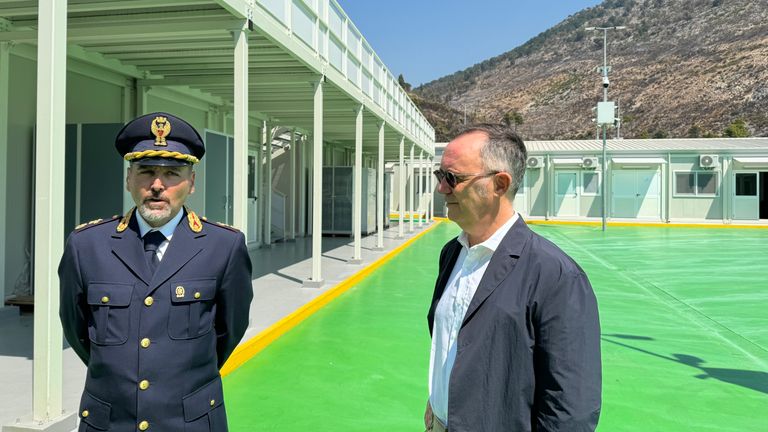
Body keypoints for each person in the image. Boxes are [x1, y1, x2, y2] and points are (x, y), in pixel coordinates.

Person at [59, 112, 253, 432]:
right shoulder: (86, 246)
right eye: (146, 171)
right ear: (128, 179)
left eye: (172, 173)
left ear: (191, 183)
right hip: (110, 420)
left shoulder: (225, 246)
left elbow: (229, 331)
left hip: (189, 421)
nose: (157, 185)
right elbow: (77, 330)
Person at [424, 124, 601, 432]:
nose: (442, 189)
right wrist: (438, 401)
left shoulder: (556, 276)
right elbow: (451, 344)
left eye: (453, 178)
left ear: (499, 185)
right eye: (440, 176)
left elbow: (571, 409)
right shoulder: (451, 254)